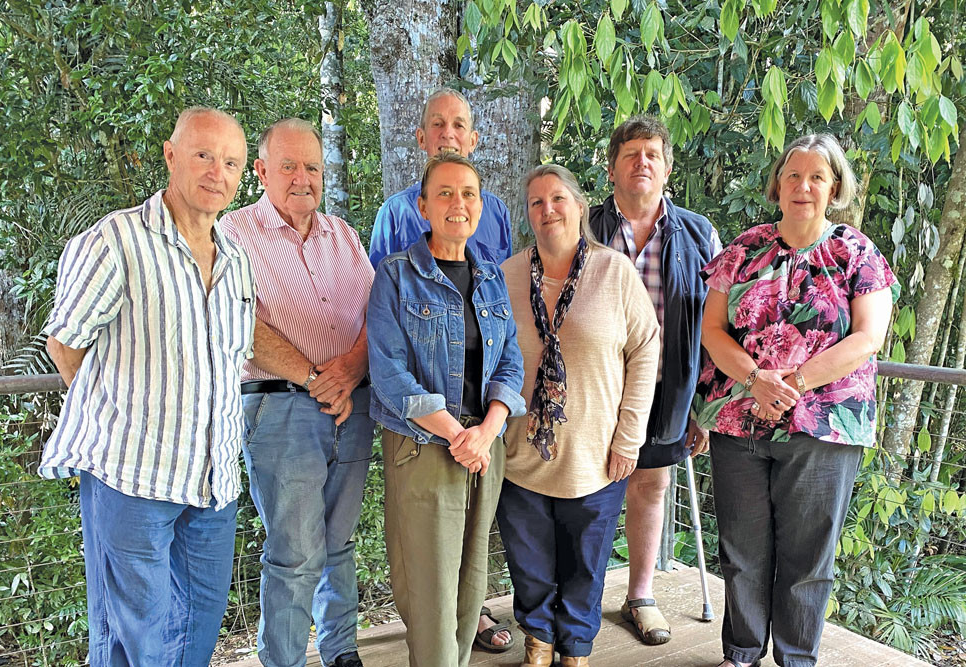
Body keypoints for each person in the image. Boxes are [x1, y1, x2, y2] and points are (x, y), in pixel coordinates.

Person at [40, 107, 254, 666]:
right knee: (129, 638)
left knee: (196, 633)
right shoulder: (117, 240)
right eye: (204, 155)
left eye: (231, 162)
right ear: (171, 155)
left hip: (212, 483)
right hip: (132, 479)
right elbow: (65, 343)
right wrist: (121, 418)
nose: (217, 172)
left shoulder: (236, 259)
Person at [695, 134, 898, 667]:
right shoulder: (742, 248)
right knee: (741, 551)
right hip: (739, 419)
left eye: (816, 177)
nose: (802, 186)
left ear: (834, 188)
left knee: (808, 557)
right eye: (792, 175)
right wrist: (757, 379)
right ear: (777, 185)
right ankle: (741, 653)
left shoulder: (856, 252)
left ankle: (795, 658)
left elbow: (867, 337)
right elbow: (711, 330)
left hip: (824, 426)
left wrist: (794, 384)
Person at [220, 119, 374, 667]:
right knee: (295, 553)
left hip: (351, 406)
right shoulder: (233, 234)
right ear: (261, 171)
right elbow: (241, 321)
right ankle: (282, 660)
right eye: (288, 165)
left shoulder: (344, 237)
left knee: (339, 542)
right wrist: (315, 378)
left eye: (311, 166)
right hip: (279, 405)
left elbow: (375, 313)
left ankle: (340, 651)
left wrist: (350, 371)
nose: (301, 178)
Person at [369, 86, 518, 652]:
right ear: (422, 206)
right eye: (445, 194)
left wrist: (489, 429)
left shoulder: (491, 274)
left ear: (481, 207)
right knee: (430, 594)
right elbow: (388, 369)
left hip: (484, 444)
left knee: (471, 583)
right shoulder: (395, 274)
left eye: (469, 194)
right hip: (426, 443)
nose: (459, 203)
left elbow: (509, 356)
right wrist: (459, 435)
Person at [499, 164, 660, 667]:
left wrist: (629, 437)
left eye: (558, 199)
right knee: (529, 564)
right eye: (536, 203)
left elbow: (646, 350)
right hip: (520, 454)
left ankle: (576, 650)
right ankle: (539, 641)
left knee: (585, 567)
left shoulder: (614, 272)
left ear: (580, 206)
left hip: (595, 456)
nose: (548, 210)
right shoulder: (506, 277)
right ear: (528, 216)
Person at [588, 114, 721, 645]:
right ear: (612, 168)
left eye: (652, 154)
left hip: (668, 388)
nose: (642, 162)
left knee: (649, 486)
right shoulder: (585, 225)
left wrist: (705, 405)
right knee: (588, 490)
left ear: (667, 168)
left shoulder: (698, 233)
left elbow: (717, 324)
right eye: (631, 153)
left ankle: (640, 594)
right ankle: (580, 597)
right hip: (592, 388)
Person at [368, 87, 512, 269]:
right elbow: (379, 288)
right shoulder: (395, 214)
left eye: (458, 125)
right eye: (438, 124)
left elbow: (504, 286)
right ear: (421, 138)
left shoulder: (496, 212)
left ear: (473, 140)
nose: (448, 134)